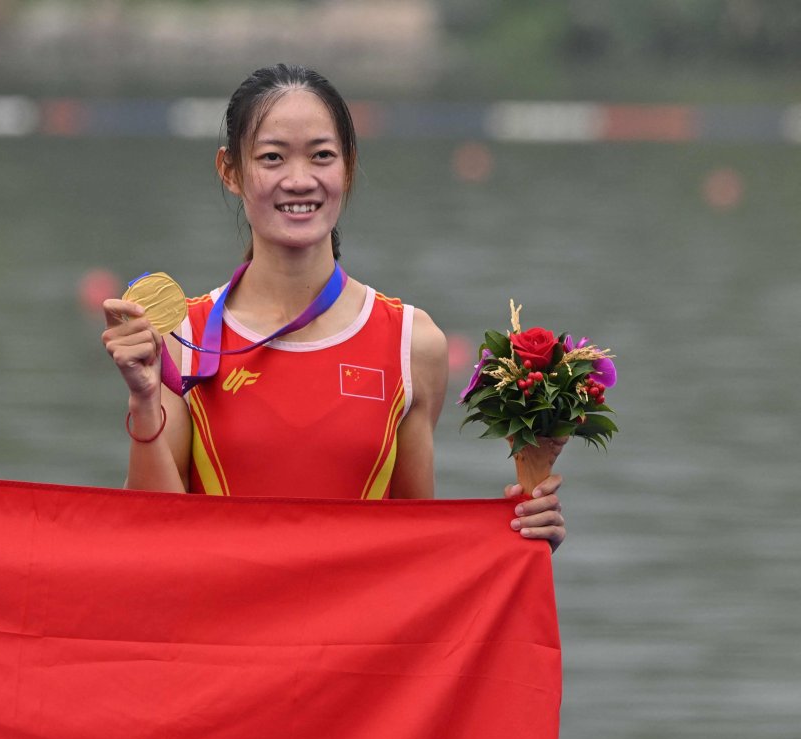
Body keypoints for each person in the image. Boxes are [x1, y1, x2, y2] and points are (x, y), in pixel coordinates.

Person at [100, 64, 565, 547]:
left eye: (322, 155)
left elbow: (420, 552)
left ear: (348, 165)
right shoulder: (182, 338)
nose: (300, 180)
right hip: (222, 622)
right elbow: (151, 539)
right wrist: (144, 397)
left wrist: (520, 542)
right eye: (272, 158)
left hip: (359, 626)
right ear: (230, 171)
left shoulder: (411, 344)